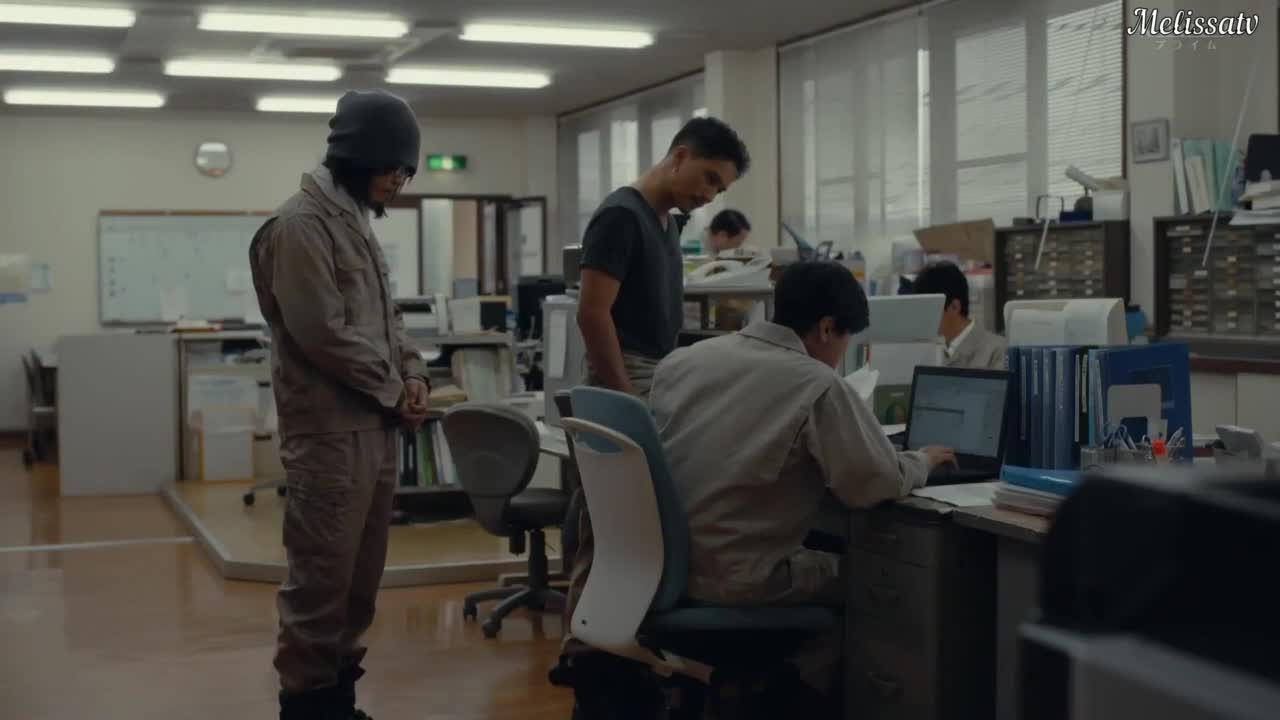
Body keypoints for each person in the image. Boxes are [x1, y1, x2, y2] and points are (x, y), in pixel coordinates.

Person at [647, 261, 957, 713]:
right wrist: (922, 461)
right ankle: (792, 699)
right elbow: (873, 483)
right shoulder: (815, 382)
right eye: (847, 340)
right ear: (827, 328)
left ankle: (761, 694)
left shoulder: (683, 361)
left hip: (666, 567)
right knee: (871, 581)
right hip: (738, 579)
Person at [557, 116, 749, 716]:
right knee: (612, 528)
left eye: (720, 189)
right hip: (627, 378)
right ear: (679, 155)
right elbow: (593, 314)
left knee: (633, 529)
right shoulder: (622, 216)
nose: (710, 195)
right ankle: (588, 660)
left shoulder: (668, 223)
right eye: (708, 178)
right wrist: (626, 401)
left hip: (654, 375)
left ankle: (618, 653)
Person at [248, 89, 431, 720]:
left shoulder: (355, 221)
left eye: (406, 172)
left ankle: (337, 703)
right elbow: (320, 331)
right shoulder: (301, 225)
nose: (398, 182)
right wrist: (393, 388)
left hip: (374, 426)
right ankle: (308, 707)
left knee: (359, 583)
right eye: (393, 168)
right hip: (328, 434)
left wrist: (414, 374)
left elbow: (389, 320)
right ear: (358, 157)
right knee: (321, 584)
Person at [912, 260, 1007, 370]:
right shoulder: (930, 352)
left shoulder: (996, 352)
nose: (922, 316)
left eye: (928, 309)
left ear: (954, 307)